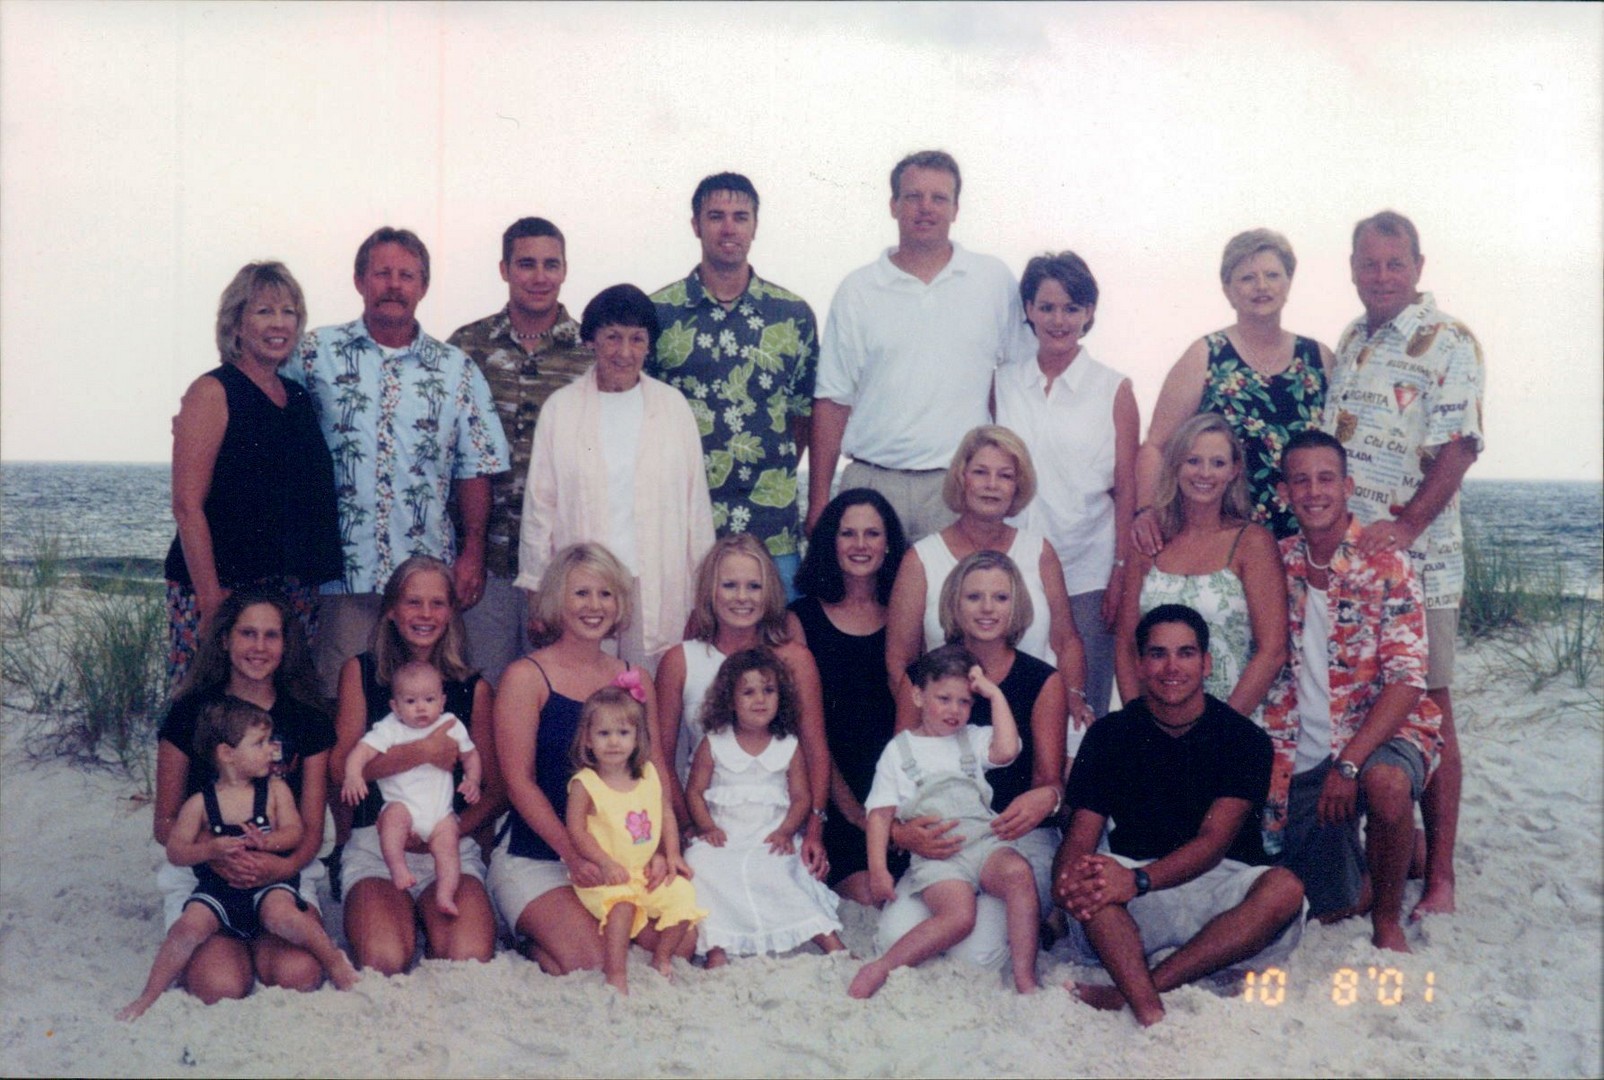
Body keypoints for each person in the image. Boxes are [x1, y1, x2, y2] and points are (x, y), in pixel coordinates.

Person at [1322, 210, 1484, 919]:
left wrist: (1409, 525)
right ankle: (1391, 848)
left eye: (1395, 263)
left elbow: (1461, 445)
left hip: (1424, 566)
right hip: (1352, 565)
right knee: (1360, 702)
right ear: (1352, 269)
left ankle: (1440, 875)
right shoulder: (1352, 338)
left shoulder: (1451, 340)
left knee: (1430, 707)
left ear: (1419, 266)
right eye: (1369, 263)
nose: (1381, 275)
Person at [1055, 605, 1306, 1027]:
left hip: (1219, 892)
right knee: (1093, 879)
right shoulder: (1109, 734)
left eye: (1186, 653)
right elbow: (1080, 838)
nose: (1172, 667)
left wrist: (1137, 880)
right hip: (1136, 896)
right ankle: (1150, 1009)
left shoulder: (1244, 739)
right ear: (1139, 664)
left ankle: (1132, 991)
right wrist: (1071, 880)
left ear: (1206, 663)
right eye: (1158, 654)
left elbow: (1213, 843)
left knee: (1285, 888)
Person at [290, 226, 510, 698]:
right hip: (340, 573)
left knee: (423, 702)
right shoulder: (312, 353)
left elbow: (475, 467)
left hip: (424, 580)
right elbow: (262, 406)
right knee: (340, 700)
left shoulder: (456, 369)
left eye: (406, 275)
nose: (394, 285)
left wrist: (472, 551)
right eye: (382, 273)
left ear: (423, 286)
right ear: (359, 280)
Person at [1264, 430, 1444, 951]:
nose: (1314, 492)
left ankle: (1387, 921)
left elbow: (1408, 679)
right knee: (1325, 903)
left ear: (1347, 486)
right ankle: (1405, 852)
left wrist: (1348, 765)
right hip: (1302, 745)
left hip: (1381, 732)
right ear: (1284, 492)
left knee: (1386, 785)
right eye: (1301, 481)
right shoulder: (1277, 561)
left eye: (1326, 479)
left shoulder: (1388, 562)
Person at [489, 542, 694, 975]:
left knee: (682, 941)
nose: (594, 606)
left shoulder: (634, 678)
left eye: (606, 594)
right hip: (541, 854)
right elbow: (518, 783)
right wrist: (574, 855)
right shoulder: (526, 677)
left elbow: (654, 769)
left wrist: (661, 849)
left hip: (622, 856)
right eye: (581, 593)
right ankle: (529, 936)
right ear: (556, 599)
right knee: (592, 962)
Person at [809, 150, 1035, 543]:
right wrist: (817, 503)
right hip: (871, 485)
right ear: (893, 205)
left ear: (956, 209)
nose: (925, 207)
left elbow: (1017, 381)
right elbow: (832, 400)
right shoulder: (858, 289)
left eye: (939, 198)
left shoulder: (993, 280)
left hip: (958, 489)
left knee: (959, 588)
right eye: (913, 196)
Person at [876, 551, 1068, 970]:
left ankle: (1041, 923)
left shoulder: (1042, 680)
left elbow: (1050, 779)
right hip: (946, 836)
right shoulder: (922, 677)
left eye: (1000, 597)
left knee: (976, 956)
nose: (987, 608)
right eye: (974, 597)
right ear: (954, 604)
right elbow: (898, 770)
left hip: (1013, 836)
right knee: (893, 937)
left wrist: (1048, 796)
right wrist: (903, 834)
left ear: (1016, 605)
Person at [515, 284, 714, 672]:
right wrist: (538, 591)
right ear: (591, 340)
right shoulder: (561, 409)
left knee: (652, 687)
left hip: (658, 580)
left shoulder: (672, 408)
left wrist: (701, 597)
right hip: (585, 584)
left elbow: (697, 508)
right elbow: (540, 506)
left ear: (649, 345)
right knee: (587, 685)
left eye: (637, 339)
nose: (625, 352)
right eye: (612, 337)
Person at [153, 588, 336, 1002]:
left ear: (286, 645)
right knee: (220, 986)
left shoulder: (308, 718)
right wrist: (215, 855)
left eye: (271, 635)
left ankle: (263, 936)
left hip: (280, 871)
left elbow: (311, 829)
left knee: (298, 975)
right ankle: (229, 942)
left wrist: (280, 866)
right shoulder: (189, 713)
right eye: (247, 633)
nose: (259, 647)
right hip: (205, 872)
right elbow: (164, 822)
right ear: (224, 639)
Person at [121, 699, 357, 1020]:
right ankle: (149, 995)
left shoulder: (274, 791)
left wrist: (269, 842)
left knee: (281, 914)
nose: (271, 750)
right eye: (259, 743)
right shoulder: (200, 803)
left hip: (268, 882)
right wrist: (209, 850)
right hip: (219, 888)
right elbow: (176, 851)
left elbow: (295, 832)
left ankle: (333, 960)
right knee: (187, 927)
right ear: (227, 753)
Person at [164, 261, 342, 688]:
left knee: (282, 709)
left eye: (288, 312)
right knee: (211, 709)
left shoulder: (297, 397)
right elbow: (187, 506)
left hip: (291, 593)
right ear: (236, 324)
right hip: (224, 588)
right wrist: (211, 600)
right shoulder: (212, 391)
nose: (279, 323)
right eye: (264, 311)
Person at [329, 556, 505, 974]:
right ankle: (390, 911)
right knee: (384, 958)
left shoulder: (474, 689)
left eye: (437, 603)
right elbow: (339, 771)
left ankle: (429, 913)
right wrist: (425, 751)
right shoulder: (360, 672)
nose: (425, 614)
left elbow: (496, 791)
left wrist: (447, 834)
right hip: (377, 844)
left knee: (467, 956)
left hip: (448, 843)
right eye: (413, 602)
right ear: (391, 609)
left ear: (452, 612)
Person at [649, 172, 818, 598]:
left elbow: (803, 414)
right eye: (716, 216)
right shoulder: (659, 314)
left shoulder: (792, 315)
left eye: (740, 217)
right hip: (686, 526)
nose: (729, 228)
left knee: (780, 634)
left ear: (755, 226)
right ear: (695, 225)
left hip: (772, 526)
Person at [447, 217, 594, 686]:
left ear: (565, 270)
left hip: (559, 566)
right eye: (526, 264)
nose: (539, 276)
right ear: (504, 269)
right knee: (481, 688)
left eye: (551, 264)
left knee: (555, 693)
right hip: (483, 561)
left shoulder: (591, 353)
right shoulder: (466, 348)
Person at [993, 252, 1138, 719]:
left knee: (1086, 708)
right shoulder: (1003, 383)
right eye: (1047, 307)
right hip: (1013, 570)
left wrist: (1120, 570)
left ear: (1089, 312)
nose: (1059, 320)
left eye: (1072, 308)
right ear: (1029, 309)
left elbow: (1127, 488)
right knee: (1015, 705)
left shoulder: (1113, 388)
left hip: (1086, 569)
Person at [851, 645, 1040, 998]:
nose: (955, 710)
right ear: (918, 696)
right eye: (944, 699)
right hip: (939, 858)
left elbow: (1008, 749)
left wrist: (995, 694)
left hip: (984, 843)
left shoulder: (974, 738)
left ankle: (1025, 978)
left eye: (964, 702)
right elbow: (880, 814)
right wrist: (878, 870)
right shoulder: (899, 751)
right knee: (959, 916)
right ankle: (882, 967)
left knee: (1019, 874)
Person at [885, 425, 1094, 744]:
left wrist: (1073, 696)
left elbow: (1066, 642)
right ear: (961, 477)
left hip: (1035, 714)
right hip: (949, 723)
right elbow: (899, 661)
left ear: (1018, 485)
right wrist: (927, 727)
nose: (992, 485)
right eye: (980, 472)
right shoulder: (921, 559)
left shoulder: (1040, 552)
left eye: (1005, 475)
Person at [1137, 228, 1333, 543]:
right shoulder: (1205, 355)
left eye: (1272, 275)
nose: (1262, 286)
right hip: (1223, 541)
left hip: (1306, 540)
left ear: (1288, 282)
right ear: (1228, 290)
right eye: (1247, 278)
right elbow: (1156, 445)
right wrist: (1146, 511)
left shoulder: (1319, 358)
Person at [654, 534, 831, 874]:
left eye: (754, 586)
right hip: (708, 828)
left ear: (769, 592)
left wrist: (813, 831)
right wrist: (688, 827)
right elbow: (661, 758)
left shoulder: (795, 659)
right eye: (730, 585)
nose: (742, 597)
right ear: (711, 590)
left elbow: (816, 751)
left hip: (779, 830)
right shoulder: (680, 661)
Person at [1116, 412, 1287, 726]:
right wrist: (1137, 725)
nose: (1204, 473)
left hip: (1231, 725)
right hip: (1155, 729)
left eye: (1218, 463)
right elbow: (1127, 646)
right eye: (1193, 461)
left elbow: (1272, 652)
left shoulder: (1252, 543)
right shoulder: (1148, 541)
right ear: (1175, 465)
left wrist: (1214, 732)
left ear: (1234, 470)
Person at [683, 649, 845, 968]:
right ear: (729, 700)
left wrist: (786, 831)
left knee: (784, 869)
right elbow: (695, 792)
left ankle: (829, 939)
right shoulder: (713, 742)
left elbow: (801, 797)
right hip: (725, 837)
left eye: (769, 690)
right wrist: (707, 827)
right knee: (701, 865)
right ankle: (717, 947)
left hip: (769, 835)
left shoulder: (789, 745)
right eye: (748, 692)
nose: (760, 699)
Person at [789, 488, 908, 903]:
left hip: (900, 785)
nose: (860, 545)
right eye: (848, 533)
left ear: (889, 543)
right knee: (872, 895)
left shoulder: (905, 614)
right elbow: (808, 733)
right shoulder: (800, 619)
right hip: (833, 791)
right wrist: (857, 814)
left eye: (872, 534)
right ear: (830, 541)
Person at [566, 684, 706, 995]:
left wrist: (672, 854)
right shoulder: (585, 783)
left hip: (643, 872)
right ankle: (616, 974)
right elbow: (576, 831)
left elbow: (665, 812)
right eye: (604, 734)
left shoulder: (648, 774)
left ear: (637, 737)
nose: (614, 741)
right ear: (587, 739)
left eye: (623, 733)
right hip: (607, 876)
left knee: (683, 894)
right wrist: (604, 862)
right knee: (623, 905)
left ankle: (661, 957)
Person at [339, 660, 484, 916]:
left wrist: (472, 779)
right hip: (402, 807)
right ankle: (398, 868)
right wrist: (353, 775)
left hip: (440, 814)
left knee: (449, 847)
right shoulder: (390, 728)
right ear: (395, 707)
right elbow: (361, 752)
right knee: (392, 820)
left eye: (429, 699)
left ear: (442, 701)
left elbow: (470, 755)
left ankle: (445, 893)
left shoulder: (450, 724)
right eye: (410, 701)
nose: (421, 707)